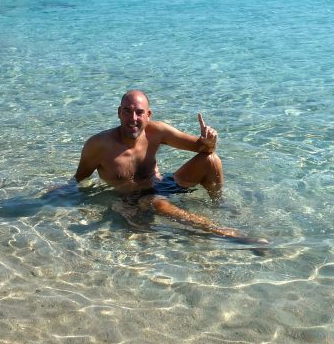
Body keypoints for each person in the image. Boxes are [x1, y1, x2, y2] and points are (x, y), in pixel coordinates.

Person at [73, 89, 254, 240]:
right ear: (119, 112)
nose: (133, 118)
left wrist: (209, 141)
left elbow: (202, 148)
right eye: (127, 111)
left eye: (139, 112)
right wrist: (59, 196)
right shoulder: (98, 145)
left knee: (211, 159)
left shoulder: (157, 131)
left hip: (162, 185)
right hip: (133, 200)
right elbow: (79, 180)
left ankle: (218, 203)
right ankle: (229, 233)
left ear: (148, 115)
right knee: (158, 204)